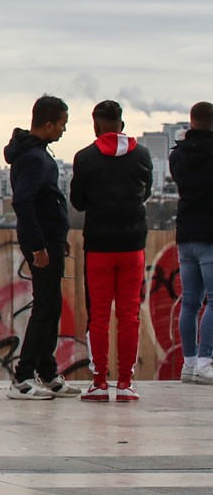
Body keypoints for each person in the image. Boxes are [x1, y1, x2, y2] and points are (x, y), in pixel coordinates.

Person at [69, 101, 153, 402]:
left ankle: (100, 383)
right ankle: (126, 383)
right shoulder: (142, 155)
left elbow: (77, 201)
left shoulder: (85, 157)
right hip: (133, 245)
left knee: (99, 317)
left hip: (99, 246)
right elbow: (146, 192)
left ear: (96, 125)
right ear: (122, 124)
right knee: (129, 315)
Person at [3, 95, 79, 400]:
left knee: (51, 306)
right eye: (61, 124)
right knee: (45, 308)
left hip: (50, 239)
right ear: (48, 124)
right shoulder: (34, 158)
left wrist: (59, 236)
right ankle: (22, 378)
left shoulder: (35, 153)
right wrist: (37, 247)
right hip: (42, 242)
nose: (63, 130)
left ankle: (47, 373)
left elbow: (46, 201)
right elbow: (23, 201)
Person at [172, 102, 213, 384]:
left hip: (185, 234)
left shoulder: (178, 155)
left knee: (189, 303)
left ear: (191, 121)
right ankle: (205, 361)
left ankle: (188, 364)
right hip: (210, 235)